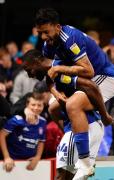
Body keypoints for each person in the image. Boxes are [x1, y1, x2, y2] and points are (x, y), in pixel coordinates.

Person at [22, 49, 103, 179]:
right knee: (74, 175)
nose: (29, 75)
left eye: (28, 69)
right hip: (83, 128)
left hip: (82, 127)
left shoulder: (61, 69)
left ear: (36, 61)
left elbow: (90, 85)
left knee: (65, 175)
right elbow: (52, 109)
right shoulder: (52, 78)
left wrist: (105, 115)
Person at [0, 92, 46, 172]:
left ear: (43, 106)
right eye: (33, 104)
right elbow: (1, 135)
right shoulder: (17, 119)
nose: (36, 108)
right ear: (27, 105)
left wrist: (37, 157)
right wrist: (7, 157)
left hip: (30, 163)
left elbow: (41, 141)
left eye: (39, 105)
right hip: (13, 161)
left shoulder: (43, 121)